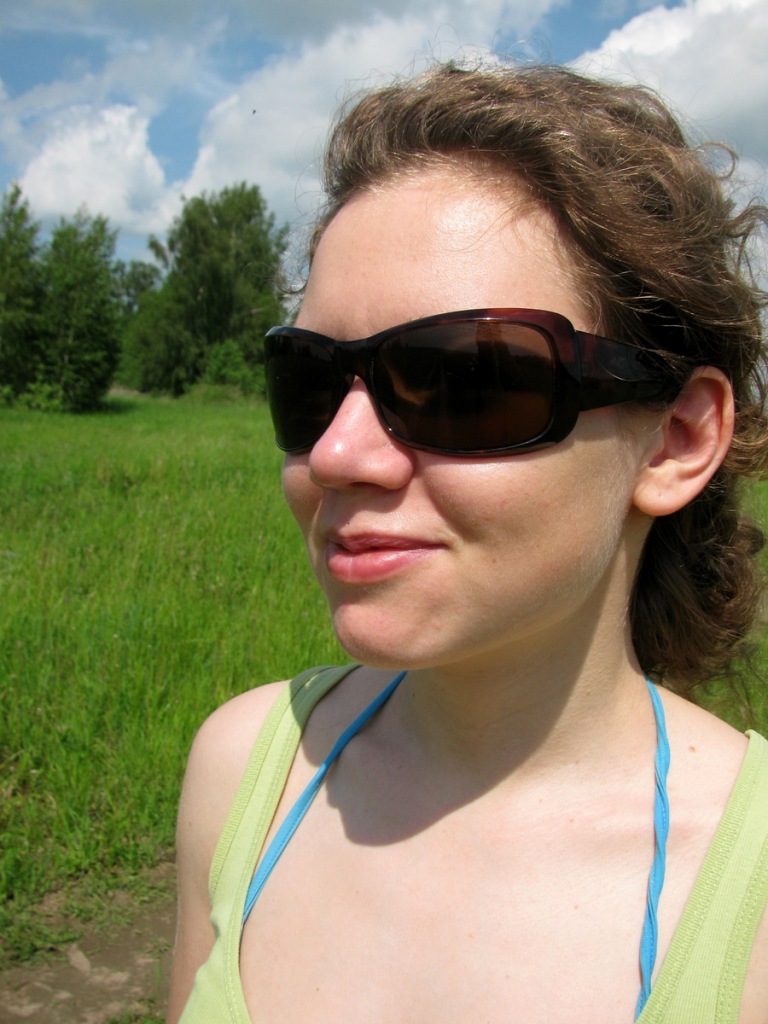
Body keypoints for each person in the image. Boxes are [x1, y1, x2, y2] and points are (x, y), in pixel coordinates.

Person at [168, 60, 768, 1024]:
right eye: (309, 381)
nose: (336, 455)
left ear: (676, 441)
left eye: (462, 380)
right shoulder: (244, 769)